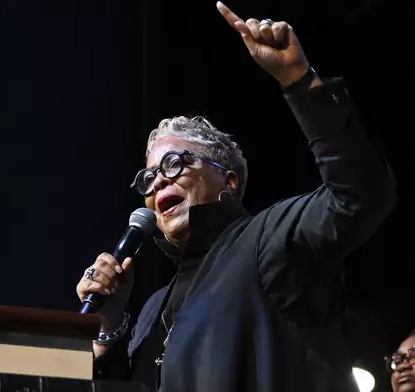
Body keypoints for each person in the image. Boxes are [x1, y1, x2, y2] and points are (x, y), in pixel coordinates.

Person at [75, 2, 397, 391]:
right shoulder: (152, 309)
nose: (158, 182)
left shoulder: (268, 240)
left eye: (174, 164)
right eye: (149, 177)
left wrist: (299, 82)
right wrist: (108, 325)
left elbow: (361, 195)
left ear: (227, 182)